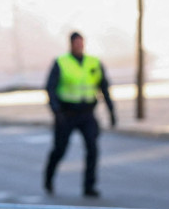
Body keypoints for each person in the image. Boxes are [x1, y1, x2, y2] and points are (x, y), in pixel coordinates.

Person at [43, 31, 117, 197]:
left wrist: (111, 111)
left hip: (87, 114)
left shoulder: (94, 62)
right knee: (60, 150)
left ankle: (89, 187)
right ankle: (48, 179)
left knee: (92, 149)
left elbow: (104, 88)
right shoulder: (61, 62)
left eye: (81, 43)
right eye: (76, 43)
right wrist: (56, 111)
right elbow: (50, 87)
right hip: (66, 114)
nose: (79, 46)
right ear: (71, 44)